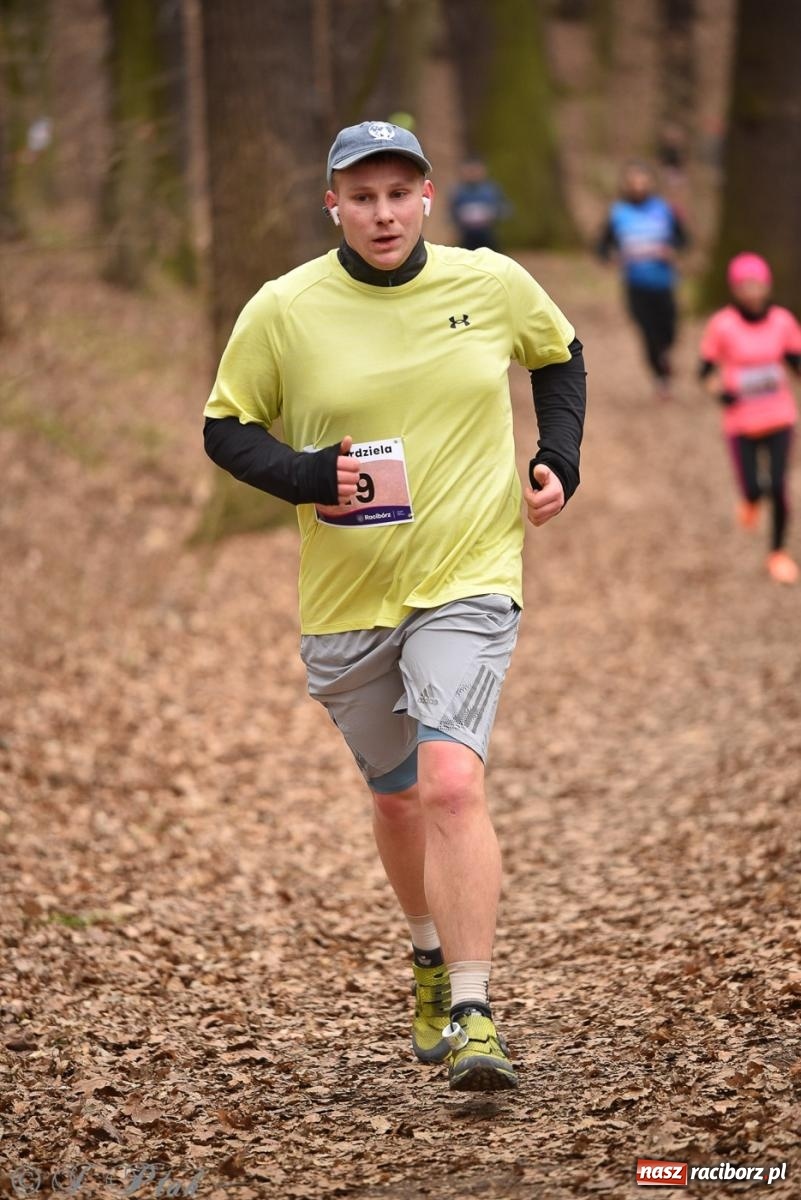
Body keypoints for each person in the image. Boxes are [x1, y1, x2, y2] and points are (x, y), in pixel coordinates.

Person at [203, 120, 586, 1092]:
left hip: (469, 573)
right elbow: (224, 428)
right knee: (400, 795)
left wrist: (557, 458)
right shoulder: (285, 308)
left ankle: (473, 1008)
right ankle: (424, 949)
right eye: (361, 195)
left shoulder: (488, 282)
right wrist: (304, 476)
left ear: (426, 198)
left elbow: (560, 354)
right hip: (348, 595)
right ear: (332, 202)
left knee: (453, 782)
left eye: (398, 193)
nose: (382, 213)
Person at [699, 252, 801, 585]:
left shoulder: (783, 321)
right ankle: (751, 499)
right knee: (754, 488)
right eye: (746, 285)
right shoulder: (723, 324)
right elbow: (705, 372)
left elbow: (794, 358)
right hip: (741, 421)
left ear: (767, 286)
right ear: (735, 289)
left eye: (758, 284)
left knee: (779, 486)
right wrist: (719, 392)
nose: (753, 292)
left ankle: (777, 553)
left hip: (779, 416)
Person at [597, 160, 688, 399]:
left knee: (668, 330)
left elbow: (683, 240)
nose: (638, 185)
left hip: (664, 282)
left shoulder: (664, 209)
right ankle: (661, 378)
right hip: (635, 284)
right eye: (633, 181)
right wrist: (611, 258)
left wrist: (673, 251)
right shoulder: (618, 213)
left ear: (650, 182)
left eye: (642, 180)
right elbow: (601, 247)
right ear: (626, 184)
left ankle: (665, 356)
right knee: (646, 332)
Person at [449, 157, 511, 251]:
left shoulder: (492, 190)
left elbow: (506, 209)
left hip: (488, 235)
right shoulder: (458, 192)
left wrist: (492, 213)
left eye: (475, 170)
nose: (472, 173)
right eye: (469, 171)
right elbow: (451, 213)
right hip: (467, 237)